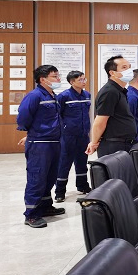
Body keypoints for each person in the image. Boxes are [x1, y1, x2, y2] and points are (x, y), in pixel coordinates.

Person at [16, 65, 66, 228]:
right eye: (54, 76)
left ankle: (45, 207)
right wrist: (33, 133)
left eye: (58, 76)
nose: (58, 79)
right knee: (37, 178)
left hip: (54, 142)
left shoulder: (52, 95)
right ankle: (31, 214)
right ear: (43, 79)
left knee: (50, 177)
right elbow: (23, 118)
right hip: (40, 144)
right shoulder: (34, 95)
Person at [85, 55, 137, 157]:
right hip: (114, 145)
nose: (129, 70)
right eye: (124, 67)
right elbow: (100, 121)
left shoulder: (119, 91)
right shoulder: (110, 91)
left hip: (123, 144)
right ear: (112, 73)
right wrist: (94, 143)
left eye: (129, 67)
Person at [54, 71, 92, 202]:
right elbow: (57, 115)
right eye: (80, 80)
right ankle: (60, 191)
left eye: (84, 79)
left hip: (83, 134)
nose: (83, 81)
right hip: (68, 135)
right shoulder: (64, 96)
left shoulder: (87, 95)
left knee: (82, 161)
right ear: (72, 82)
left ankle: (82, 186)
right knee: (65, 162)